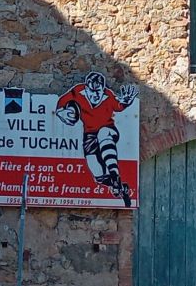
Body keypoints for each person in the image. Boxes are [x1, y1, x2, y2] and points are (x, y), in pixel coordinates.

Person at [53, 72, 137, 206]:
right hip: (89, 135)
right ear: (86, 88)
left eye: (98, 91)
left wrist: (126, 102)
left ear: (102, 88)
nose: (96, 95)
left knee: (104, 135)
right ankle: (117, 186)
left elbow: (119, 106)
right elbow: (62, 101)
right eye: (92, 91)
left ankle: (115, 176)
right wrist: (61, 111)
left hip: (108, 129)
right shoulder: (78, 91)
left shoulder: (108, 95)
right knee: (97, 174)